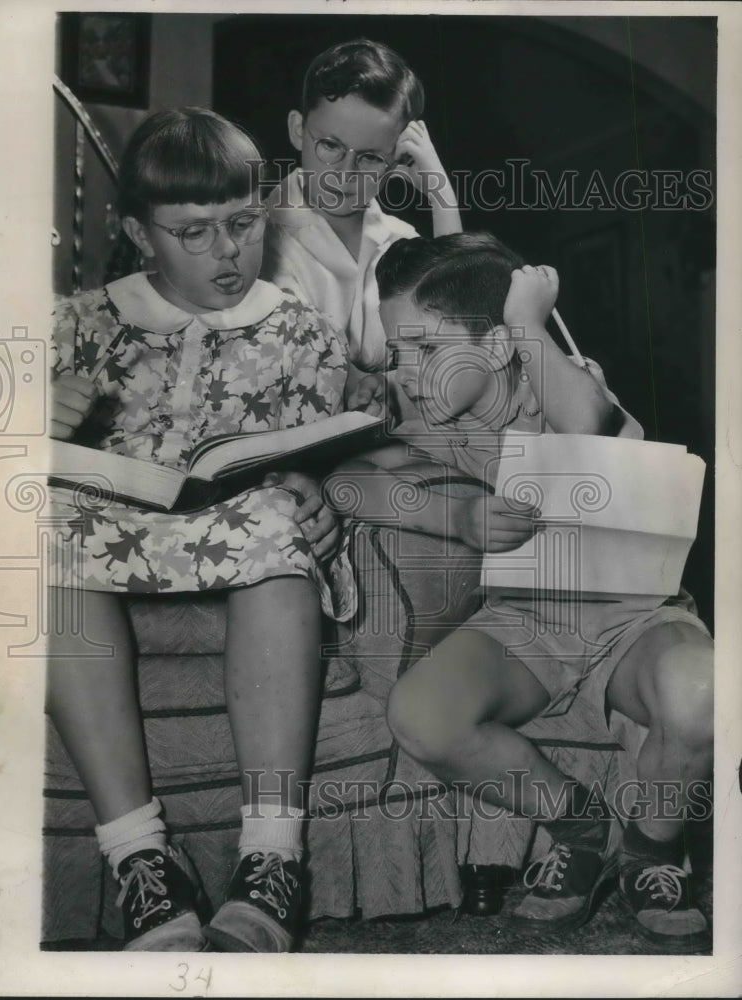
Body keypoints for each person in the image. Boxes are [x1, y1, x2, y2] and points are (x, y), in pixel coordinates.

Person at [327, 233, 713, 953]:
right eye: (397, 352)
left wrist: (531, 325)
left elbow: (593, 431)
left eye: (428, 351)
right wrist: (457, 515)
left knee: (705, 692)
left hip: (637, 618)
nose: (405, 375)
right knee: (422, 714)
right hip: (524, 626)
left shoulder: (561, 380)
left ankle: (653, 848)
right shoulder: (423, 422)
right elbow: (345, 481)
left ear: (501, 346)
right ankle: (578, 822)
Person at [48, 107, 357, 953]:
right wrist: (30, 420)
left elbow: (324, 441)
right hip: (106, 524)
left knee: (279, 528)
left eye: (242, 224)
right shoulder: (75, 325)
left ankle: (271, 859)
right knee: (38, 542)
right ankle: (141, 860)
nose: (227, 253)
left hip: (234, 518)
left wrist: (312, 480)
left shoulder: (300, 331)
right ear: (138, 234)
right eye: (193, 233)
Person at [261, 37, 462, 414]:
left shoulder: (401, 241)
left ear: (398, 160)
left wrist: (442, 198)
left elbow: (455, 341)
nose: (346, 173)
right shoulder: (252, 235)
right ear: (296, 129)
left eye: (370, 157)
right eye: (331, 146)